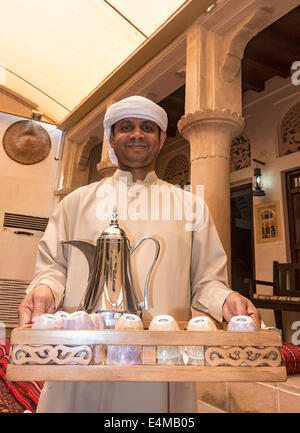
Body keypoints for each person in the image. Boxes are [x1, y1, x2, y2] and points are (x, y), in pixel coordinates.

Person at [19, 95, 260, 413]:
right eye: (125, 127)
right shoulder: (75, 203)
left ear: (161, 139)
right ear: (110, 138)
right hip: (83, 354)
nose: (136, 134)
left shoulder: (189, 205)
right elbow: (53, 267)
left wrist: (225, 300)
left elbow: (206, 282)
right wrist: (43, 289)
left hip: (160, 358)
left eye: (147, 127)